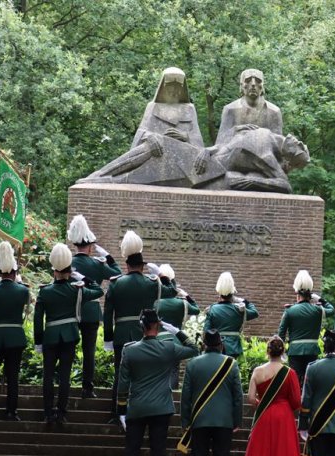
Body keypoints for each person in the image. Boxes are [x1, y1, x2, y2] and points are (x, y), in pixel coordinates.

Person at [80, 67, 223, 188]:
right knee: (151, 144)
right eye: (170, 86)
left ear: (182, 89)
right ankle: (103, 175)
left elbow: (198, 144)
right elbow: (141, 132)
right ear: (163, 87)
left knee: (160, 143)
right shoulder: (153, 107)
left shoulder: (189, 109)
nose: (174, 90)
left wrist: (185, 136)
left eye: (178, 87)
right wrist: (149, 136)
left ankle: (102, 175)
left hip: (183, 159)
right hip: (158, 156)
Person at [118, 309, 198, 456]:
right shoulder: (168, 348)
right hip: (161, 409)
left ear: (141, 326)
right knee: (158, 453)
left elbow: (123, 383)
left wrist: (121, 409)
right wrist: (176, 330)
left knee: (131, 452)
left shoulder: (129, 350)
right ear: (158, 325)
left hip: (137, 408)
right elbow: (193, 348)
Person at [103, 231, 177, 421]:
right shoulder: (151, 283)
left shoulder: (115, 283)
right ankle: (138, 413)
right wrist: (162, 275)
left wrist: (108, 337)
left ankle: (116, 413)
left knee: (120, 375)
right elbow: (172, 291)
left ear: (127, 265)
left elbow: (107, 313)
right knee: (142, 375)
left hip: (121, 335)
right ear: (143, 267)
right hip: (143, 334)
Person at [34, 243, 103, 425]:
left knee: (48, 376)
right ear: (69, 271)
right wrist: (84, 278)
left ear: (54, 270)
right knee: (65, 376)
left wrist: (38, 341)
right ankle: (61, 413)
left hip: (50, 337)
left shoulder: (44, 291)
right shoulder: (76, 291)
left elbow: (37, 319)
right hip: (69, 336)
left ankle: (48, 413)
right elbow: (99, 290)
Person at [237, 336, 304, 456]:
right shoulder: (290, 373)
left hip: (264, 416)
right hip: (284, 418)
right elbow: (297, 402)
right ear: (282, 352)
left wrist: (263, 404)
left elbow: (251, 398)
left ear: (267, 351)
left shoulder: (258, 371)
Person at [179, 329, 242, 456]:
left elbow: (186, 396)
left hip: (199, 420)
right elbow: (238, 396)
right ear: (221, 344)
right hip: (224, 422)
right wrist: (237, 420)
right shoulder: (231, 364)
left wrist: (185, 421)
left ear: (203, 345)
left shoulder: (193, 364)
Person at [68, 215, 121, 398]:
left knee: (68, 351)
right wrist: (108, 257)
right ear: (90, 246)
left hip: (71, 311)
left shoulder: (68, 262)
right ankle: (87, 388)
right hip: (91, 311)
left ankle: (66, 384)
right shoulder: (97, 264)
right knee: (88, 351)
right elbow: (117, 274)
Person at [0, 242, 30, 421]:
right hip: (15, 337)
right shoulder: (23, 291)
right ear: (15, 271)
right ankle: (11, 411)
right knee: (13, 377)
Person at [278, 270, 334, 386]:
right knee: (310, 383)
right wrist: (320, 299)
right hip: (312, 350)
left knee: (295, 383)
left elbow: (281, 334)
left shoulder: (289, 311)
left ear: (297, 293)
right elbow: (331, 310)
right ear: (310, 294)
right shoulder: (317, 310)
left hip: (294, 351)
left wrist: (281, 352)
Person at [153, 264, 199, 389]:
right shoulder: (182, 303)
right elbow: (196, 310)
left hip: (158, 341)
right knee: (174, 370)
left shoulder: (154, 303)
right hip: (176, 342)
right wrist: (187, 296)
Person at [215, 69, 283, 146]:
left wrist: (261, 135)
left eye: (258, 81)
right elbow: (220, 144)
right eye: (248, 80)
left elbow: (279, 145)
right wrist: (236, 130)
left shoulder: (274, 111)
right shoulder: (230, 110)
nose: (253, 84)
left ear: (262, 86)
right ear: (242, 85)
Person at [203, 272, 259, 359]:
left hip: (216, 348)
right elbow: (255, 313)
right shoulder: (239, 309)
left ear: (219, 293)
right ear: (232, 293)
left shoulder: (212, 309)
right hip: (233, 347)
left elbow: (206, 331)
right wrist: (244, 301)